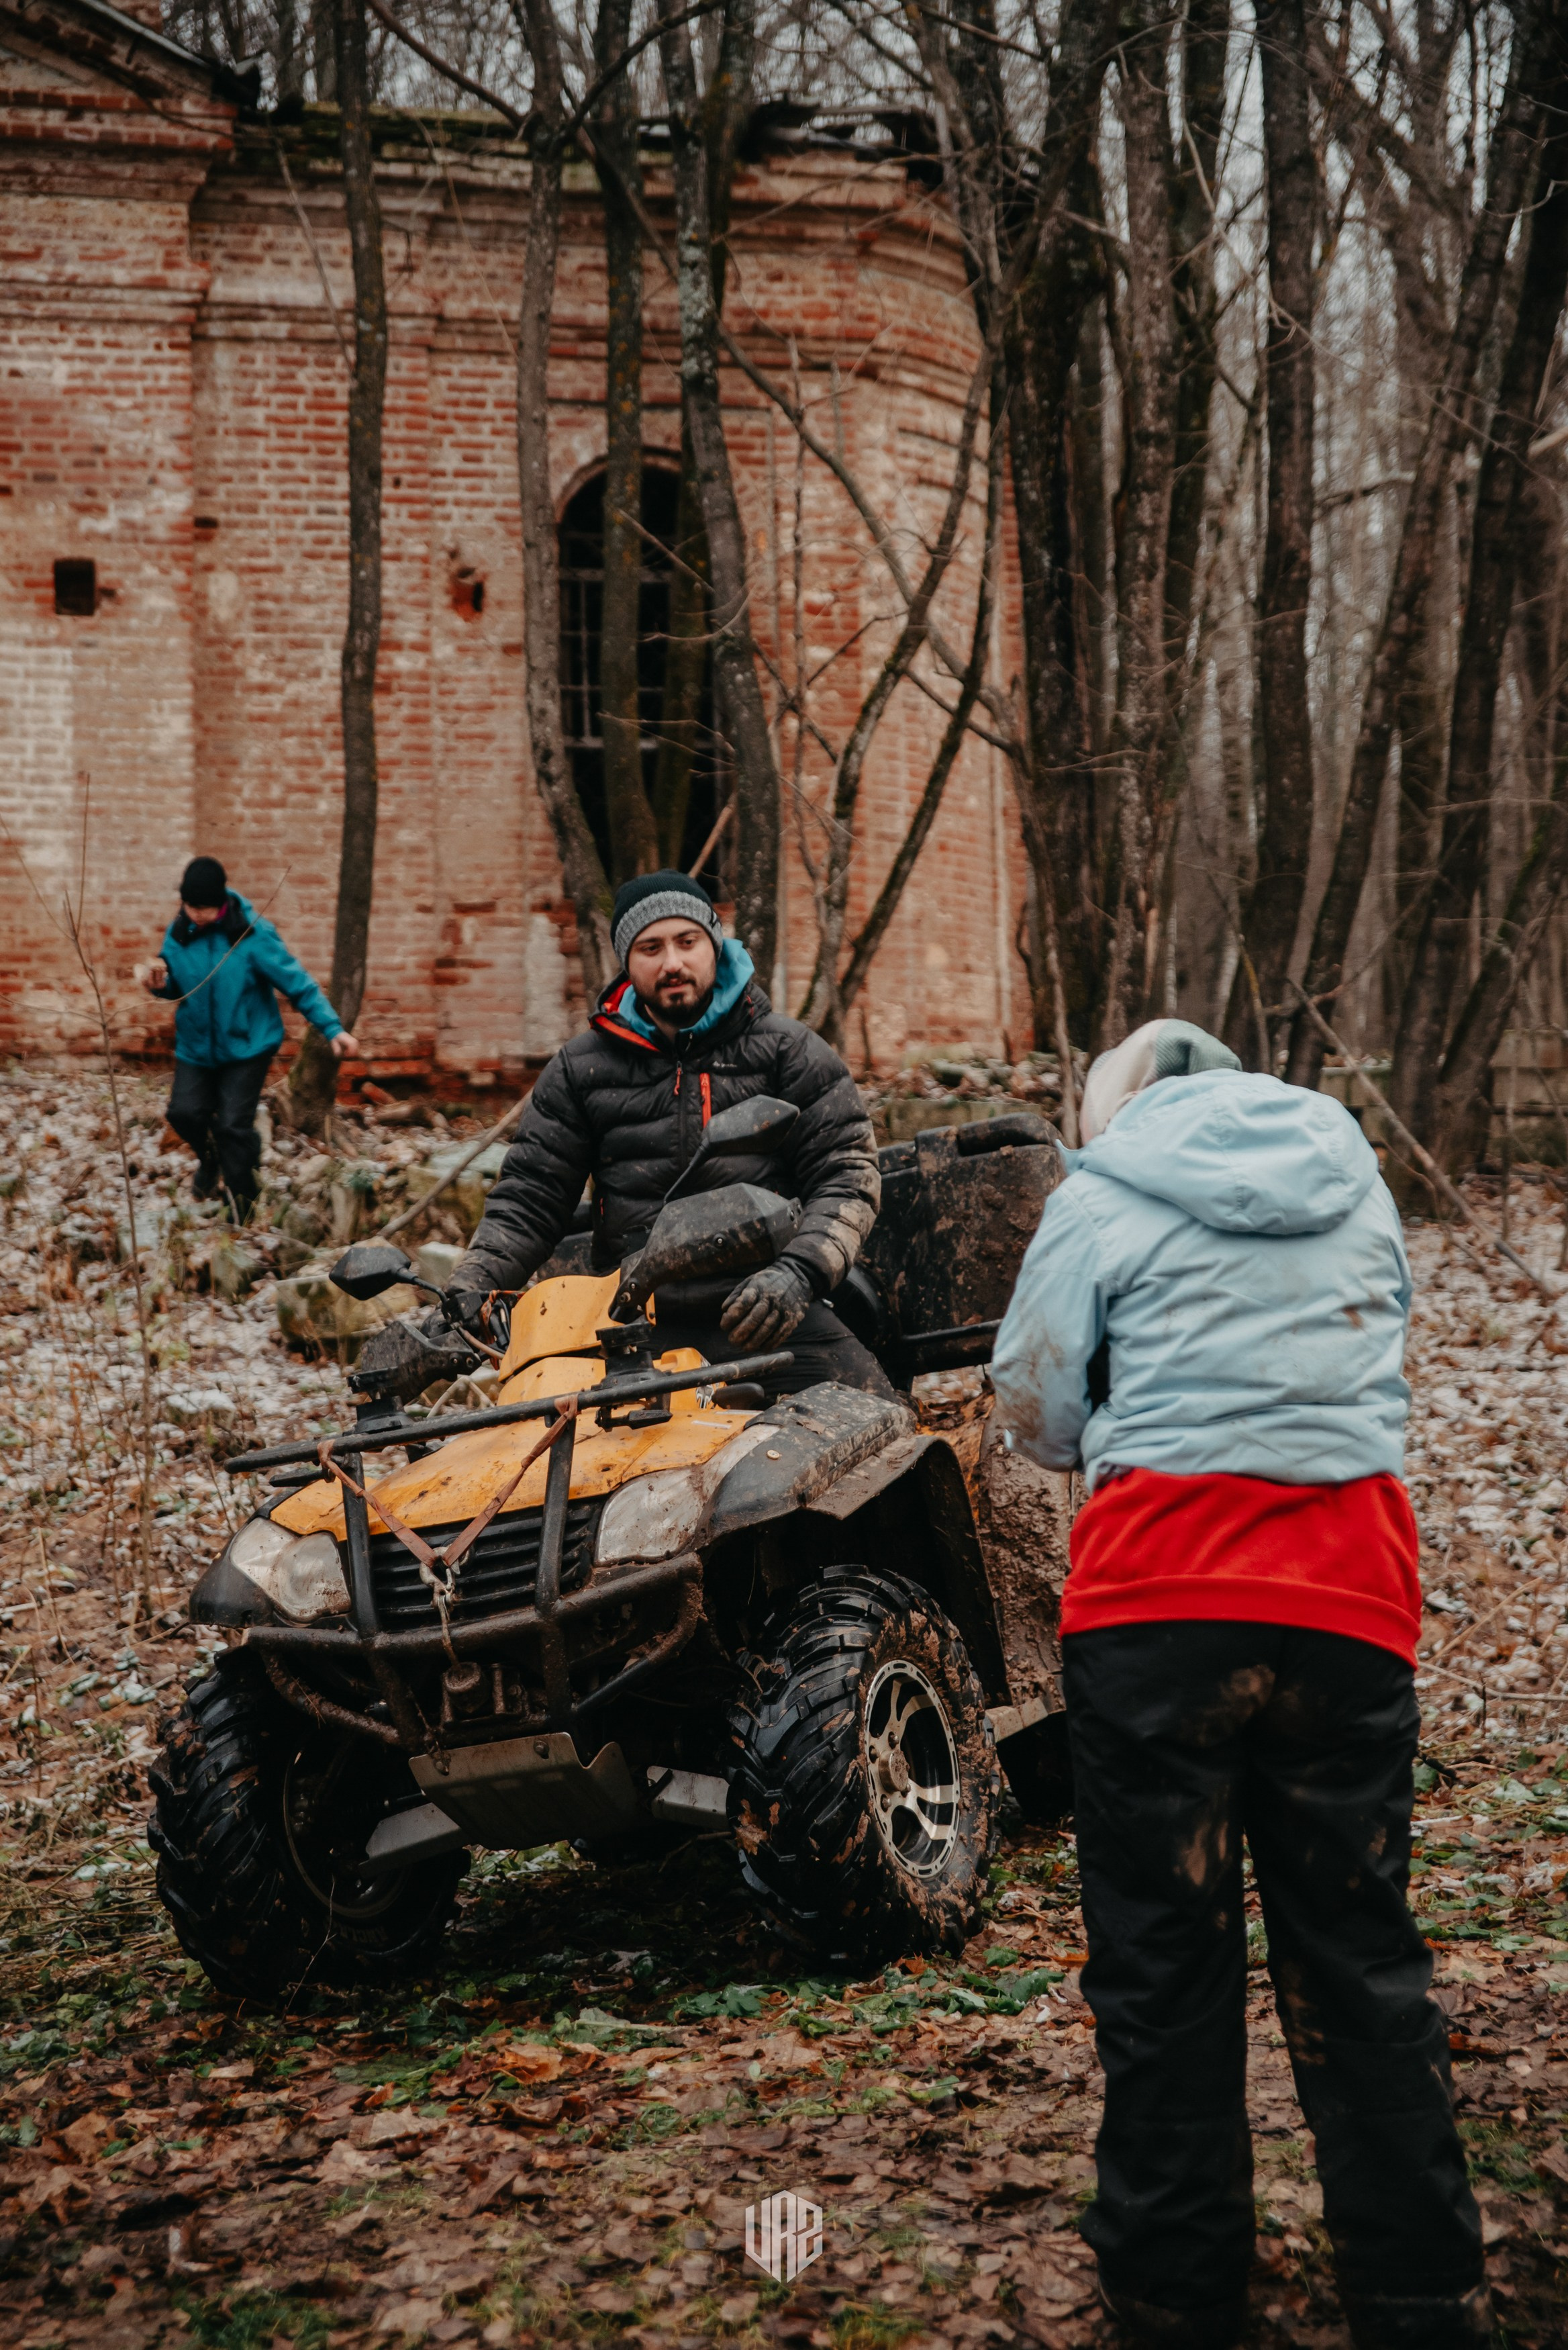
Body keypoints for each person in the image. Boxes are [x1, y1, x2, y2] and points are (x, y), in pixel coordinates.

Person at [989, 1020, 1486, 2350]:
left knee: (1163, 1965)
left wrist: (1123, 1422)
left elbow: (1029, 1406)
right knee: (1362, 1955)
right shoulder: (1358, 1177)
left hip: (1161, 1600)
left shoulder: (1097, 1192)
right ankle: (1416, 2291)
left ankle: (1173, 2294)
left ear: (1126, 1102)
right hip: (1351, 1594)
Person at [450, 869, 890, 1397]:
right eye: (650, 948)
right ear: (627, 963)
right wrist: (470, 1285)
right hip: (631, 1325)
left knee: (882, 1432)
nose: (673, 963)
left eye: (687, 942)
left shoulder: (787, 1051)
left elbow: (849, 1177)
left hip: (765, 1311)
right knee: (549, 1460)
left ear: (714, 945)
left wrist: (797, 1276)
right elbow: (529, 1199)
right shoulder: (580, 1070)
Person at [140, 857, 360, 1220]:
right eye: (190, 907)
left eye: (204, 909)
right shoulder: (179, 933)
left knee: (232, 1126)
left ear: (222, 904)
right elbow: (179, 984)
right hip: (197, 1047)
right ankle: (211, 1159)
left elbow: (298, 984)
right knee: (183, 1114)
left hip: (247, 1047)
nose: (195, 916)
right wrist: (160, 985)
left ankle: (244, 1207)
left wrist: (332, 1028)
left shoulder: (252, 935)